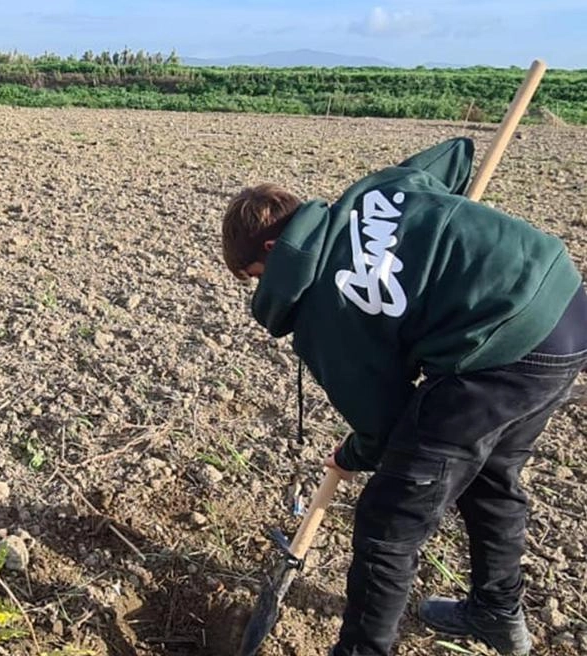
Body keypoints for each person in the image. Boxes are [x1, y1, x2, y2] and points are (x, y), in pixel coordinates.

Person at [221, 137, 587, 656]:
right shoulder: (375, 190)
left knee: (389, 521)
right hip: (564, 309)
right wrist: (421, 224)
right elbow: (455, 155)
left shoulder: (324, 309)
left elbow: (386, 425)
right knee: (490, 479)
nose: (263, 290)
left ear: (272, 252)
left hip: (498, 353)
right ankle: (496, 612)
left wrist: (351, 454)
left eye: (256, 278)